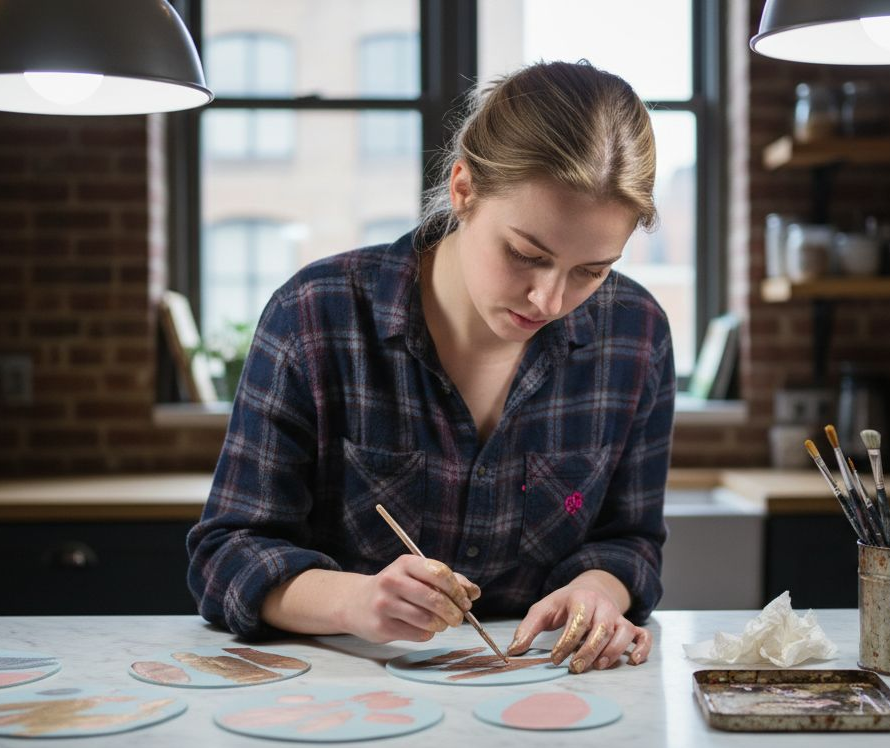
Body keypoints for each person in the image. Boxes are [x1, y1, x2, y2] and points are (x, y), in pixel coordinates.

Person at [187, 60, 674, 675]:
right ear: (463, 188)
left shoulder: (636, 333)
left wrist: (599, 593)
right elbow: (225, 554)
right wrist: (353, 601)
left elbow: (630, 539)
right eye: (526, 254)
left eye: (592, 271)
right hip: (342, 700)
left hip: (547, 697)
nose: (549, 301)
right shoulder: (315, 316)